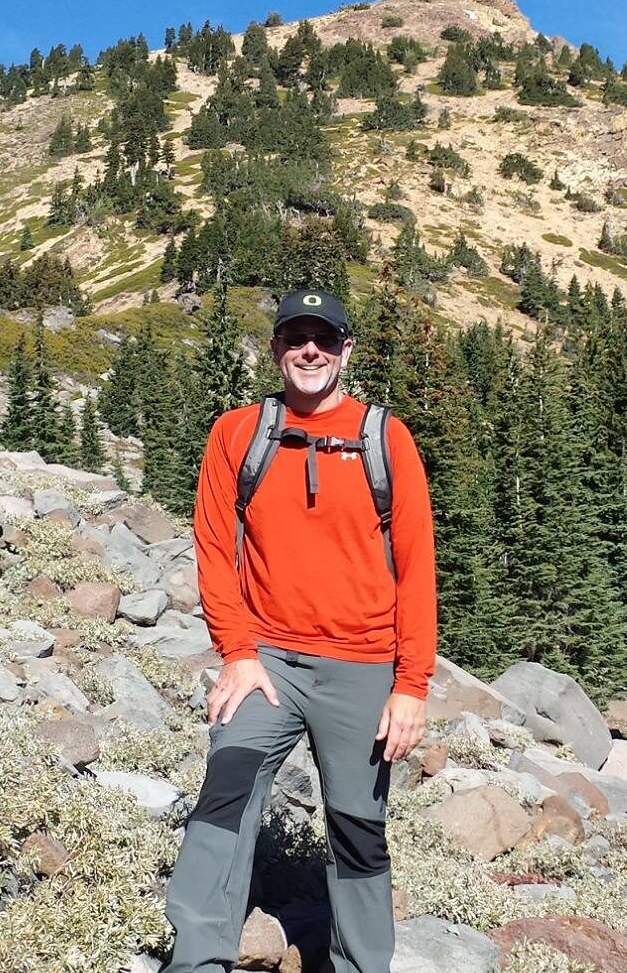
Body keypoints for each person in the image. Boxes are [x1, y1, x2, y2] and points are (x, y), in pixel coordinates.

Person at [161, 287, 437, 973]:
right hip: (268, 662)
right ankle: (197, 959)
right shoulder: (237, 432)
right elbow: (212, 545)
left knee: (357, 828)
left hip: (364, 667)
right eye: (293, 338)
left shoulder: (385, 437)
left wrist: (411, 685)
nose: (307, 351)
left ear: (346, 350)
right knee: (227, 786)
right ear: (276, 349)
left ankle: (361, 964)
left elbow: (418, 566)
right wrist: (237, 652)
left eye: (323, 338)